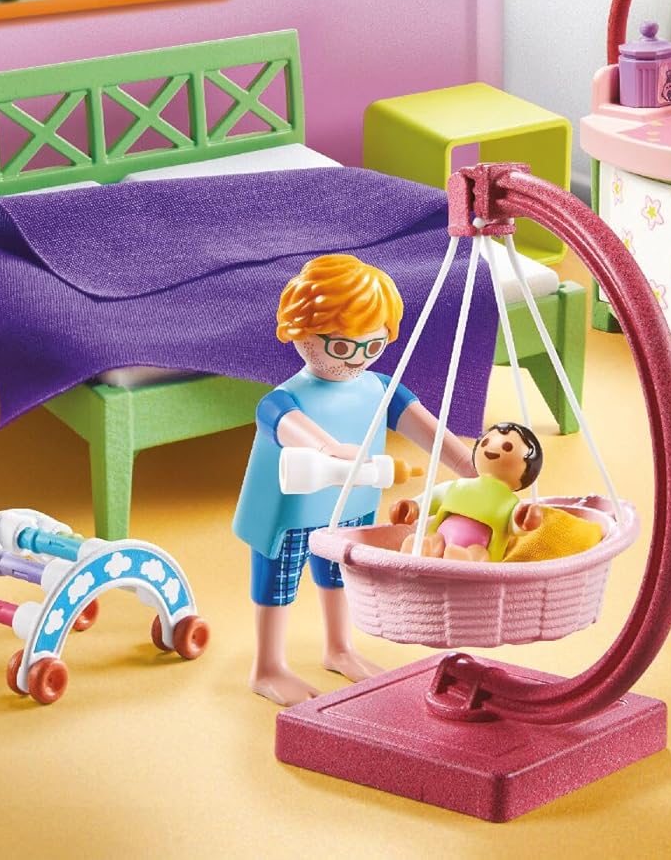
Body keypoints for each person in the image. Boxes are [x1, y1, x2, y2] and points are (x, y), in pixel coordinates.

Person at [233, 253, 474, 706]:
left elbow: (430, 430)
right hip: (290, 513)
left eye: (373, 346)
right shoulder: (283, 399)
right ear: (299, 331)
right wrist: (330, 450)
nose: (356, 360)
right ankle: (267, 666)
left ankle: (339, 647)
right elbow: (293, 428)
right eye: (342, 347)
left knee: (341, 576)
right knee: (276, 586)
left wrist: (471, 466)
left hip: (352, 507)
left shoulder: (379, 388)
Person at [390, 422, 544, 562]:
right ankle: (423, 548)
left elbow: (516, 525)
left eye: (507, 447)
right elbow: (433, 497)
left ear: (528, 467)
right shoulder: (457, 486)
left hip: (478, 550)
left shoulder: (510, 504)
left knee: (478, 554)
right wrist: (413, 506)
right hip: (440, 539)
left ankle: (464, 558)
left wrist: (524, 519)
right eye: (485, 442)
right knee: (433, 541)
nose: (492, 449)